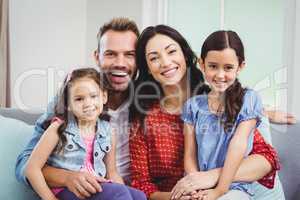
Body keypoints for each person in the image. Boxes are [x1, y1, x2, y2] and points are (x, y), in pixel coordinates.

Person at [129, 25, 281, 200]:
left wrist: (211, 178)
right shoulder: (143, 118)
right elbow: (141, 185)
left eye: (171, 52)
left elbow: (266, 158)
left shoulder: (224, 101)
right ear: (147, 67)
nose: (165, 62)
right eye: (154, 58)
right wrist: (177, 197)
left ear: (185, 55)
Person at [15, 17, 140, 199]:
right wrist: (67, 177)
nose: (120, 62)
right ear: (97, 56)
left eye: (129, 54)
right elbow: (24, 165)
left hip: (113, 189)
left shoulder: (146, 105)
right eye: (111, 54)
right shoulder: (66, 105)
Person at [25, 68, 146, 200]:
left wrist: (122, 189)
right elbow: (31, 169)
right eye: (79, 99)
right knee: (119, 194)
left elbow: (112, 173)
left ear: (104, 97)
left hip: (94, 185)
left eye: (93, 96)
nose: (88, 103)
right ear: (68, 104)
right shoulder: (58, 128)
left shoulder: (109, 131)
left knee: (139, 196)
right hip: (65, 190)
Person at [180, 30, 267, 200]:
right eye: (213, 66)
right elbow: (190, 155)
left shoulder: (249, 99)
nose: (220, 75)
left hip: (233, 188)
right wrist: (195, 188)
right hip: (201, 187)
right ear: (202, 64)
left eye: (228, 68)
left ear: (240, 66)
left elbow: (238, 144)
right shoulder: (192, 106)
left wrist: (219, 190)